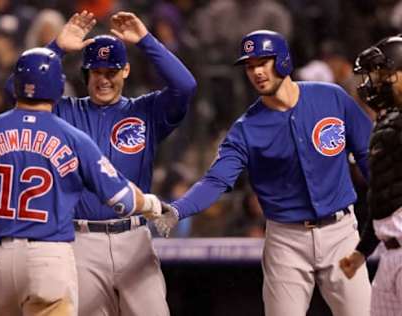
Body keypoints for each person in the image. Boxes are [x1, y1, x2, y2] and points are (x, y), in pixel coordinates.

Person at [154, 30, 373, 316]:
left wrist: (392, 203)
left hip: (341, 233)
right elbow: (217, 180)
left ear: (282, 60)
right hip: (286, 242)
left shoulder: (331, 98)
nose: (256, 71)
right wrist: (179, 209)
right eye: (249, 65)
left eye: (263, 62)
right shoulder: (246, 129)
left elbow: (369, 154)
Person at [0, 47, 162, 316]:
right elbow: (121, 200)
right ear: (58, 86)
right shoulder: (72, 137)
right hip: (47, 257)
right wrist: (152, 204)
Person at [6, 10, 196, 316]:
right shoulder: (63, 113)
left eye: (111, 71)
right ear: (86, 74)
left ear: (126, 72)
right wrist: (56, 48)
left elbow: (185, 86)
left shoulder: (146, 111)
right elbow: (15, 91)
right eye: (97, 72)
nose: (104, 79)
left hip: (135, 238)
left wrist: (146, 41)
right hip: (80, 241)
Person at [340, 35, 402, 316]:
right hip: (389, 255)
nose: (374, 82)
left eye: (381, 73)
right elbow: (383, 200)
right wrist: (362, 251)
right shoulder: (387, 122)